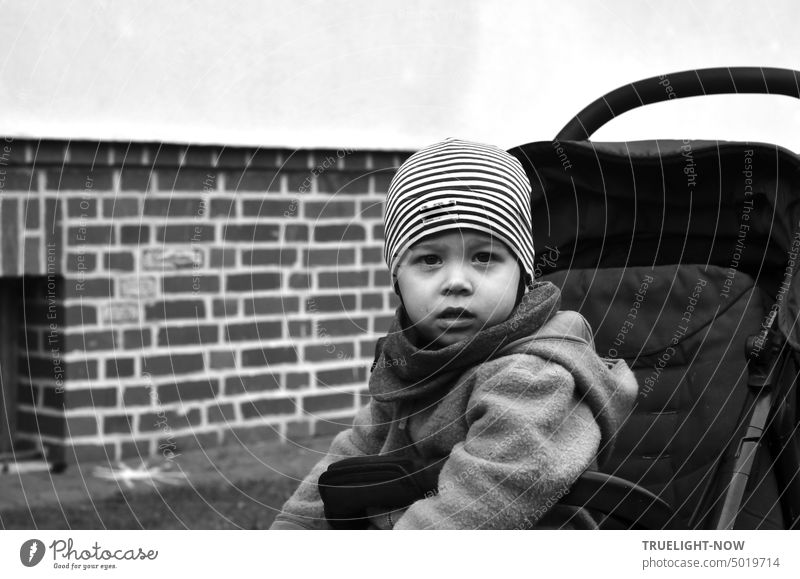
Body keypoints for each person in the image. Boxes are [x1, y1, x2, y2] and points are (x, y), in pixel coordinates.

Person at [270, 138, 638, 530]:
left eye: (484, 257)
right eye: (430, 259)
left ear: (523, 276)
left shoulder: (534, 378)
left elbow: (482, 500)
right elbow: (351, 453)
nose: (457, 282)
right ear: (398, 278)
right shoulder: (413, 366)